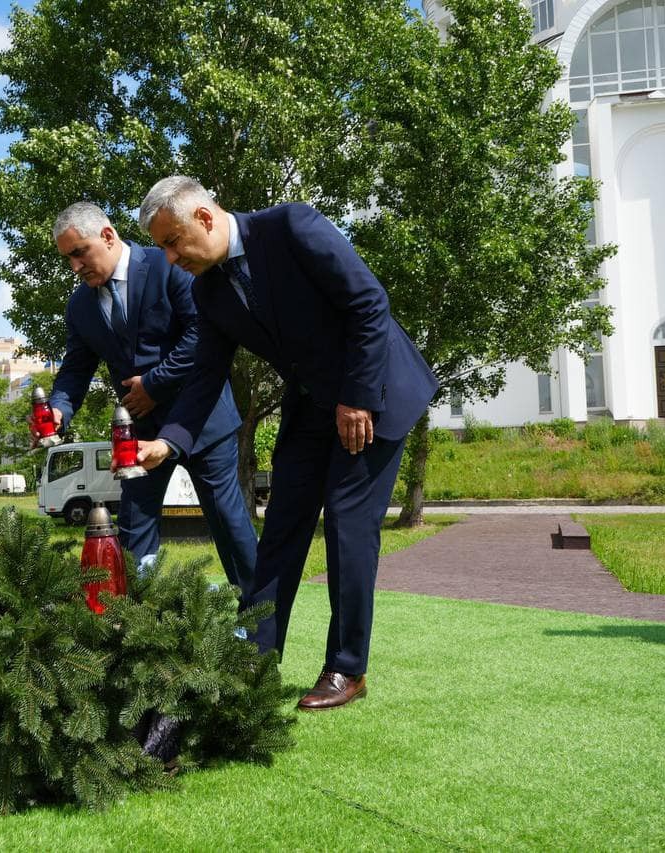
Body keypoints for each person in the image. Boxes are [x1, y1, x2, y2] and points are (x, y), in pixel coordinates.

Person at [135, 176, 438, 710]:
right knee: (280, 531)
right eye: (162, 247)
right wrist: (169, 442)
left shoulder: (293, 225)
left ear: (205, 218)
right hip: (310, 408)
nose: (169, 257)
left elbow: (368, 303)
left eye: (173, 242)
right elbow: (206, 375)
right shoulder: (208, 291)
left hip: (374, 393)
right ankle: (253, 660)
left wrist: (357, 397)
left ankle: (347, 669)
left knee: (347, 524)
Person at [48, 202, 257, 595]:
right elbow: (75, 368)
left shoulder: (167, 266)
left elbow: (203, 334)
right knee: (132, 531)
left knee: (229, 525)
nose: (75, 267)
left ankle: (260, 624)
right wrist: (59, 408)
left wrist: (154, 384)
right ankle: (134, 624)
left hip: (202, 422)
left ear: (108, 236)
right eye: (68, 259)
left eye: (79, 253)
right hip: (139, 436)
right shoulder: (79, 306)